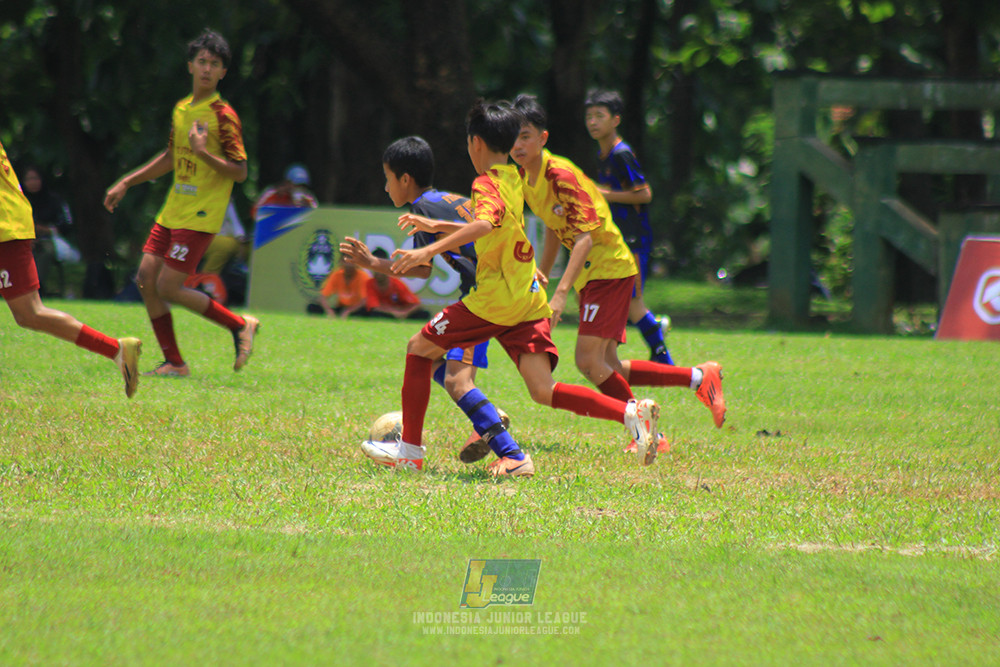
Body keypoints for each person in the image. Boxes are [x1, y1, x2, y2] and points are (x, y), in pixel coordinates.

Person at [360, 99, 661, 477]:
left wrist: (434, 244)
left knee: (419, 350)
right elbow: (498, 225)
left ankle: (410, 453)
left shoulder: (484, 182)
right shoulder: (513, 178)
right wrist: (440, 228)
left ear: (476, 144)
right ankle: (629, 414)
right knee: (543, 389)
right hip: (526, 296)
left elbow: (485, 225)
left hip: (494, 298)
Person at [510, 94, 725, 458]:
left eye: (526, 136)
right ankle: (699, 377)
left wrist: (560, 293)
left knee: (588, 362)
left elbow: (584, 238)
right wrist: (543, 275)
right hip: (596, 274)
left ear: (543, 138)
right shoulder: (528, 178)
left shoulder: (558, 173)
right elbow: (552, 227)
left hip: (607, 269)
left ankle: (646, 432)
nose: (518, 145)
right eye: (512, 138)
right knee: (608, 365)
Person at [103, 29, 259, 378]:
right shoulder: (181, 109)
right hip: (173, 210)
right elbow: (171, 156)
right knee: (145, 279)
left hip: (201, 214)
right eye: (201, 61)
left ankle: (238, 325)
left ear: (223, 72)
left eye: (215, 64)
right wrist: (127, 181)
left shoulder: (223, 115)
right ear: (190, 66)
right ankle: (175, 362)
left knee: (168, 287)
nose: (207, 68)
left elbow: (241, 172)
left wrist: (204, 153)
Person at [340, 135, 500, 459]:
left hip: (487, 294)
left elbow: (419, 269)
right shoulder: (443, 200)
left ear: (405, 179)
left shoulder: (424, 207)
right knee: (432, 358)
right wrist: (372, 263)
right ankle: (489, 421)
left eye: (388, 180)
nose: (386, 189)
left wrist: (371, 263)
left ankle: (500, 441)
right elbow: (423, 269)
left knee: (450, 375)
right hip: (493, 288)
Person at [1, 139, 141, 398]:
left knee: (30, 313)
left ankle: (116, 349)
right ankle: (117, 350)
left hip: (6, 229)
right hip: (10, 225)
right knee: (28, 315)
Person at [584, 89, 673, 365]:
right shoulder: (603, 154)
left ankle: (662, 355)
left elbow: (644, 194)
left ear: (616, 120)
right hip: (617, 237)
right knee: (625, 302)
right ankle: (654, 333)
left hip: (634, 237)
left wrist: (604, 195)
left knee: (632, 300)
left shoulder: (621, 154)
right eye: (589, 117)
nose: (593, 122)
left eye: (600, 116)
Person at [21, 165, 74, 297]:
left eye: (35, 178)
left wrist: (47, 230)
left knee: (45, 251)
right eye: (29, 179)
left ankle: (36, 286)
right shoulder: (20, 200)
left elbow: (66, 224)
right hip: (21, 239)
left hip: (47, 240)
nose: (32, 182)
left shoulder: (53, 200)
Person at [363, 248, 428, 319]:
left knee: (424, 314)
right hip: (386, 314)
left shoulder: (396, 283)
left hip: (400, 313)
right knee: (374, 314)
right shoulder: (369, 283)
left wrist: (404, 313)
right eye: (375, 268)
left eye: (380, 267)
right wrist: (393, 312)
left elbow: (416, 304)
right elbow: (374, 307)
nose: (378, 272)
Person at [251, 163, 319, 221]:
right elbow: (255, 212)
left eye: (302, 185)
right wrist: (275, 202)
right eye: (296, 184)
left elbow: (319, 215)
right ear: (287, 182)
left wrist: (308, 207)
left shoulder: (307, 197)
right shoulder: (273, 192)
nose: (299, 188)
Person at [316, 254, 370, 318]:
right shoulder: (336, 274)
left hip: (356, 309)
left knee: (366, 312)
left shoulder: (363, 276)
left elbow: (365, 300)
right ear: (341, 262)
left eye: (352, 262)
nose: (348, 265)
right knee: (313, 307)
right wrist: (328, 310)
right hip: (341, 307)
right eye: (346, 261)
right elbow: (322, 297)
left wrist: (349, 311)